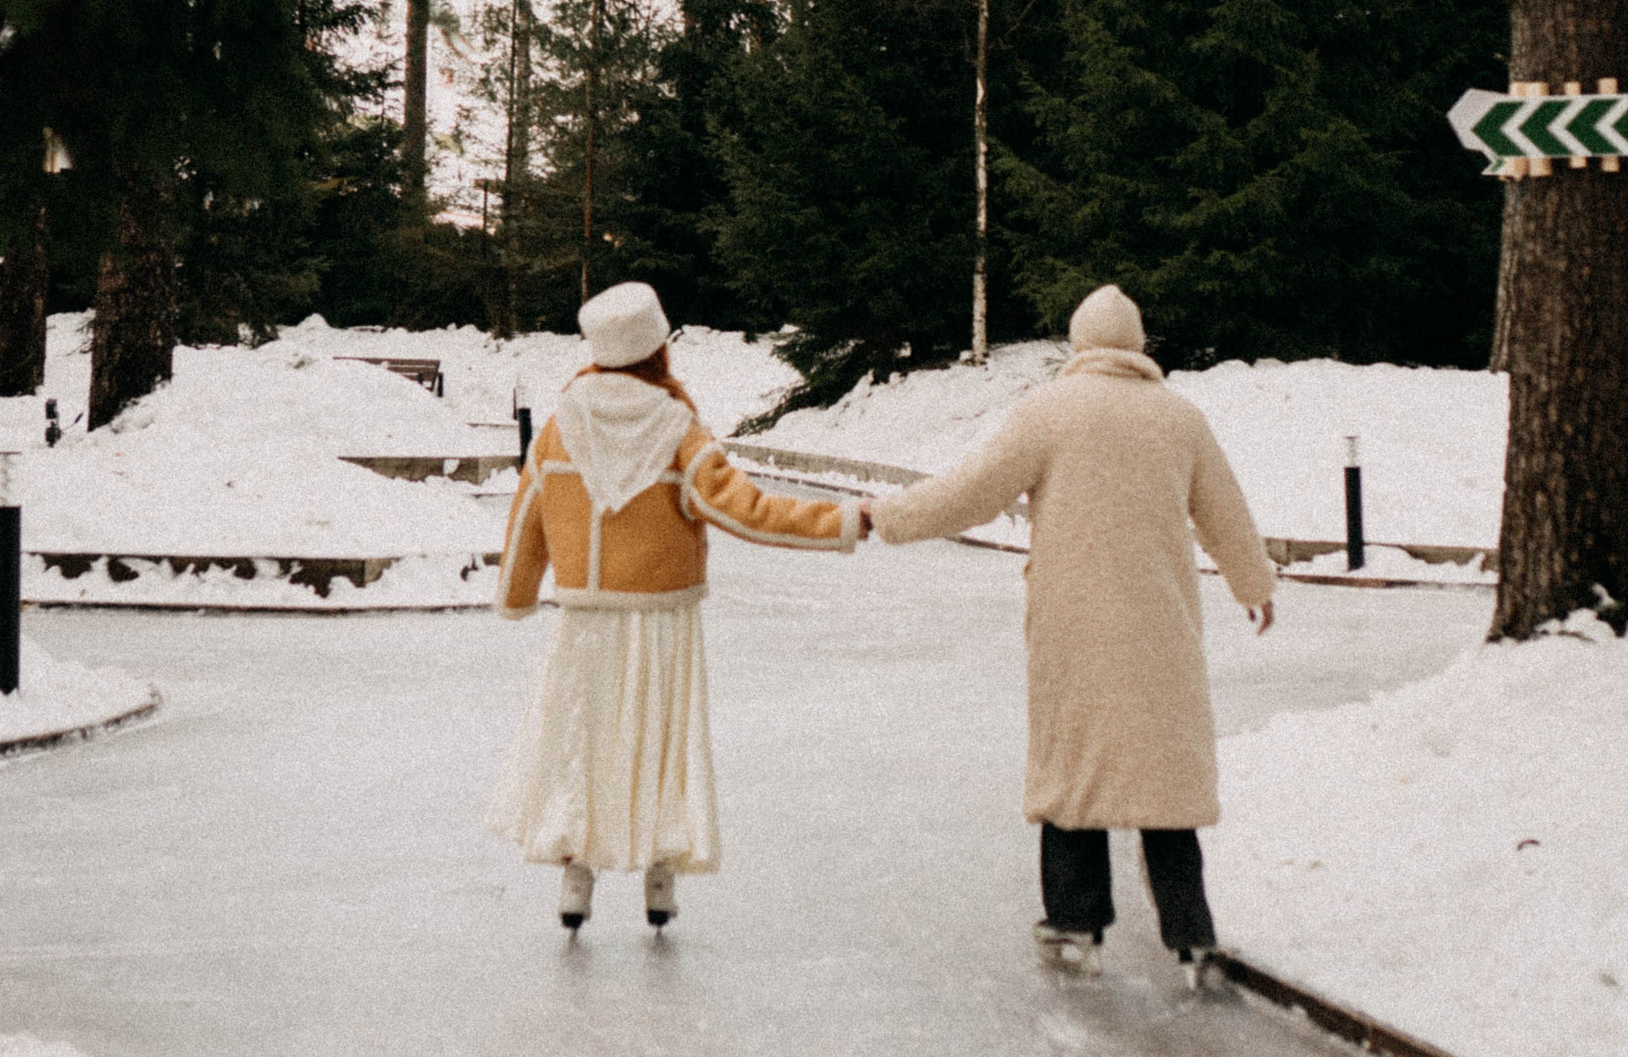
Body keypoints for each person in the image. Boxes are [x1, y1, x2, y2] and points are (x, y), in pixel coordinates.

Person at [862, 285, 1276, 982]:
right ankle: (1192, 933)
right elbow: (1224, 512)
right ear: (1138, 345)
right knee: (1163, 778)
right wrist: (1255, 585)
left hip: (1074, 628)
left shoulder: (1050, 412)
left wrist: (890, 515)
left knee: (1076, 768)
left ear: (1081, 344)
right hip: (1161, 629)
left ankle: (1075, 922)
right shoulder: (1180, 418)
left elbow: (971, 490)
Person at [487, 281, 864, 935]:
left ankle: (577, 875)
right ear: (657, 347)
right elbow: (748, 509)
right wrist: (842, 521)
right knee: (658, 741)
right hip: (662, 617)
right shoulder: (677, 429)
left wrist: (517, 593)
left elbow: (528, 518)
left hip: (586, 618)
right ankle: (660, 870)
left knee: (583, 737)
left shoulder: (558, 425)